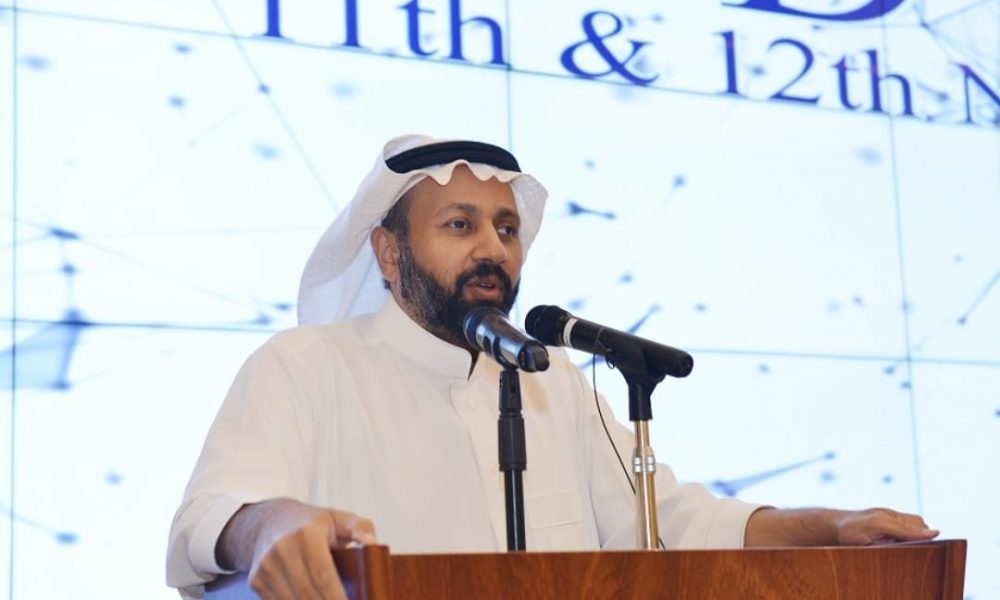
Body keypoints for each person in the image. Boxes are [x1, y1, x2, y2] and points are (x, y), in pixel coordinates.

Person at [166, 134, 938, 600]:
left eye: (506, 229)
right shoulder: (304, 367)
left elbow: (667, 525)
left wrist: (831, 529)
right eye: (460, 225)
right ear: (388, 252)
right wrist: (269, 523)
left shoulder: (552, 381)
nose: (493, 249)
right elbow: (205, 521)